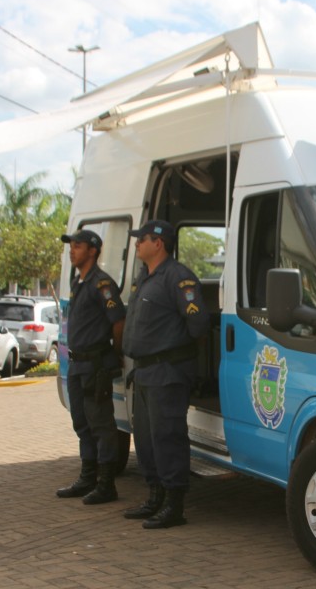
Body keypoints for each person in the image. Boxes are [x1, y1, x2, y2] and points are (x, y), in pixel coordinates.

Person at [121, 219, 210, 529]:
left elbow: (198, 325)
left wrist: (173, 353)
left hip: (167, 372)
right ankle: (155, 496)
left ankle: (174, 504)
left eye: (141, 239)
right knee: (145, 440)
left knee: (167, 438)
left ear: (158, 243)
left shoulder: (178, 278)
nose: (136, 244)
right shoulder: (145, 278)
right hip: (145, 372)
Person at [56, 229, 126, 505]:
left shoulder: (102, 284)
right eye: (71, 246)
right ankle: (88, 477)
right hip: (76, 364)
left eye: (78, 246)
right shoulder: (79, 282)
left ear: (93, 251)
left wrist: (116, 353)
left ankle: (107, 484)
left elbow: (118, 321)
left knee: (101, 425)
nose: (72, 250)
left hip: (95, 365)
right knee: (81, 423)